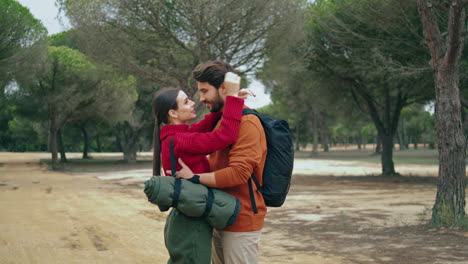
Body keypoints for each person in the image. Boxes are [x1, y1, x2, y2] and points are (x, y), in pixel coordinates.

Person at [174, 60, 267, 264]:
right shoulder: (221, 120)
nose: (201, 98)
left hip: (241, 220)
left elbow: (239, 173)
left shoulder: (247, 123)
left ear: (223, 88)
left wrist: (195, 178)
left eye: (205, 91)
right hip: (220, 215)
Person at [152, 74, 247, 264]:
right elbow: (225, 136)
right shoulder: (181, 141)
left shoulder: (175, 136)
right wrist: (234, 100)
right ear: (173, 113)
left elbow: (205, 124)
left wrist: (230, 100)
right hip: (191, 220)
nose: (194, 103)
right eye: (186, 102)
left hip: (185, 214)